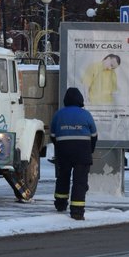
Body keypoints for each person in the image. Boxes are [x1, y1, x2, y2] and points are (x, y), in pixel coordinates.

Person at [49, 87, 97, 221]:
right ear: (80, 100)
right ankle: (77, 210)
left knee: (63, 177)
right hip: (82, 151)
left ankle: (60, 203)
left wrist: (59, 146)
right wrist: (90, 150)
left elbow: (53, 135)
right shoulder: (86, 114)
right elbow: (94, 135)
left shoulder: (59, 114)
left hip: (63, 150)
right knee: (80, 181)